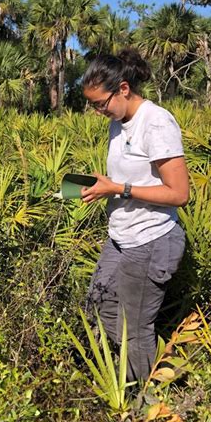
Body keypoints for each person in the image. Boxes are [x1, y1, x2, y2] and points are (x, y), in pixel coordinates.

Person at [81, 49, 189, 382]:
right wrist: (103, 185)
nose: (99, 111)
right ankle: (136, 374)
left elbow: (179, 193)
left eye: (102, 103)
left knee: (135, 327)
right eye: (93, 106)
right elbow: (132, 177)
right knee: (97, 305)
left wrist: (118, 189)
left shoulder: (156, 122)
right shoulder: (119, 122)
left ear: (124, 89)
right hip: (121, 237)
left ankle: (149, 402)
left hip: (152, 239)